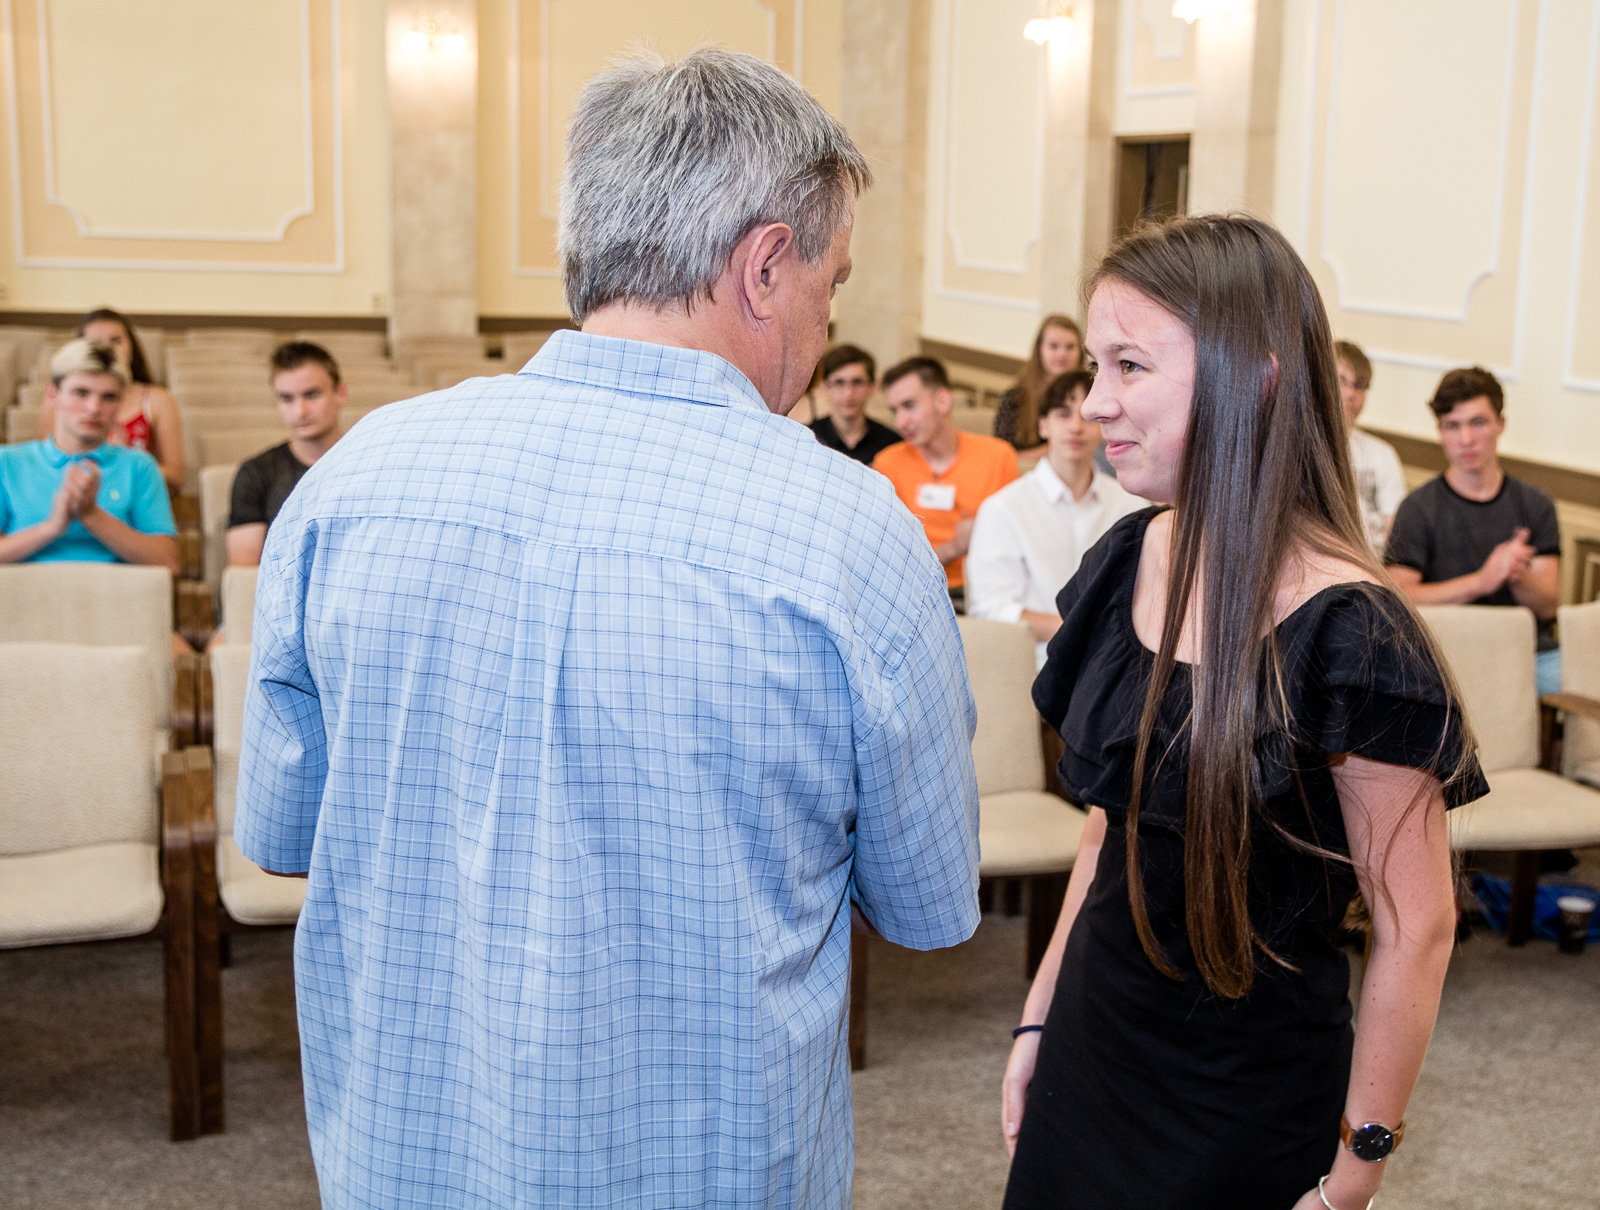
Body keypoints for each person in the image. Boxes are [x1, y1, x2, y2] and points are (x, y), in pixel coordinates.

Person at [234, 47, 980, 1210]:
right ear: (765, 266)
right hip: (706, 1168)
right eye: (831, 281)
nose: (829, 316)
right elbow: (924, 898)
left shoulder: (350, 480)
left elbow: (282, 838)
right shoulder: (848, 531)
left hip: (406, 1154)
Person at [1001, 215, 1485, 1210]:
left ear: (1252, 378)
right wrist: (1038, 1016)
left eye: (1129, 365)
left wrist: (1355, 1172)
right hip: (1093, 1041)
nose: (1093, 402)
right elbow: (1107, 829)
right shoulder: (1129, 558)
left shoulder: (1354, 634)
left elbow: (1418, 926)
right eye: (1094, 366)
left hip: (1243, 1097)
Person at [1385, 366, 1561, 696]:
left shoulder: (1536, 504)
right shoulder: (1418, 508)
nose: (1466, 439)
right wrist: (1482, 581)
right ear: (1440, 431)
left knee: (1583, 686)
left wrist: (1517, 573)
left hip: (1531, 653)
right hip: (1447, 652)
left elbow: (1548, 606)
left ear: (1500, 424)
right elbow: (1400, 596)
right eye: (1453, 426)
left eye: (1478, 423)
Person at [966, 370, 1144, 668]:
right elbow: (992, 610)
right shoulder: (1003, 508)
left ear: (1103, 426)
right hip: (1033, 664)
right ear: (1043, 425)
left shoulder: (1131, 506)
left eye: (1086, 416)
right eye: (1063, 414)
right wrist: (1078, 631)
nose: (1076, 427)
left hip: (1114, 665)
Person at [0, 339, 178, 573]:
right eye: (80, 393)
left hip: (115, 592)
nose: (94, 408)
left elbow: (168, 562)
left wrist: (92, 516)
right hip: (29, 593)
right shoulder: (7, 462)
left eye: (109, 397)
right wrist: (52, 527)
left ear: (121, 403)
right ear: (53, 395)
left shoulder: (140, 466)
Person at [874, 356, 1018, 606]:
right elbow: (889, 563)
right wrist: (955, 547)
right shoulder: (888, 464)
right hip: (914, 594)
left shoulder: (997, 456)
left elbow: (1015, 543)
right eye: (894, 410)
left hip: (986, 592)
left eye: (909, 406)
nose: (900, 422)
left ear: (942, 401)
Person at [36, 307, 185, 491]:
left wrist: (127, 461)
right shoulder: (60, 398)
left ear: (132, 345)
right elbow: (47, 466)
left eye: (116, 340)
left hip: (134, 497)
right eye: (95, 342)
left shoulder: (159, 399)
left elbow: (175, 476)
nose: (108, 349)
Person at [226, 341, 347, 567]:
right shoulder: (255, 473)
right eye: (287, 398)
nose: (300, 411)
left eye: (312, 395)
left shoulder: (370, 464)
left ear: (340, 393)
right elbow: (245, 571)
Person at [1336, 340, 1405, 556]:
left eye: (1359, 385)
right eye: (1341, 381)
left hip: (1373, 567)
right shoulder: (1297, 448)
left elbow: (1396, 537)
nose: (1350, 394)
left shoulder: (1383, 455)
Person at [993, 314, 1083, 455]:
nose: (1062, 354)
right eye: (1053, 346)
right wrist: (1055, 449)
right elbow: (1003, 457)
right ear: (1039, 349)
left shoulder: (1090, 395)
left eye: (1070, 347)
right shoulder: (1015, 398)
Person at [807, 343, 900, 464]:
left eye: (857, 382)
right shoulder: (807, 438)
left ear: (873, 387)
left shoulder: (892, 444)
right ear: (824, 387)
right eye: (839, 382)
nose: (848, 394)